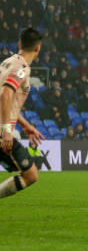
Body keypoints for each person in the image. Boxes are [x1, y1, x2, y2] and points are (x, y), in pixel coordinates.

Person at [0, 28, 46, 199]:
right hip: (1, 131)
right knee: (31, 175)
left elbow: (5, 101)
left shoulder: (7, 62)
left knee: (30, 174)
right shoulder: (23, 68)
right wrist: (6, 130)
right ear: (38, 48)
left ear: (19, 44)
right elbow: (6, 94)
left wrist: (26, 126)